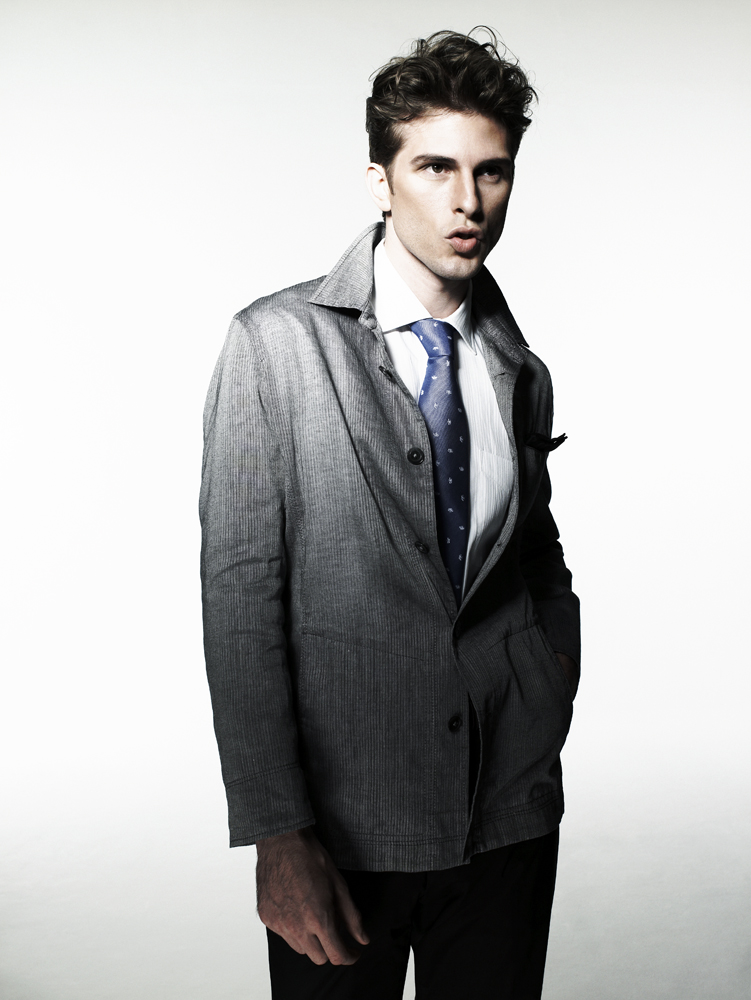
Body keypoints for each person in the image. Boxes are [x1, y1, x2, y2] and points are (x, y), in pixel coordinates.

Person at [200, 27, 580, 1000]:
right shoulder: (275, 347)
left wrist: (547, 686)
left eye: (490, 171)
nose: (467, 201)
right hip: (342, 834)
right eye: (435, 167)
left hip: (506, 819)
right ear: (380, 180)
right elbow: (240, 601)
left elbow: (535, 557)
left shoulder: (518, 368)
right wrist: (276, 833)